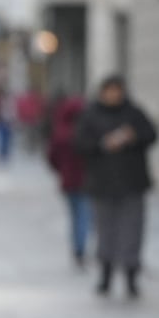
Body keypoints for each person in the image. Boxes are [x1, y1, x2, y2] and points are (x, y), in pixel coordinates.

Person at [74, 75, 158, 298]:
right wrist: (104, 143)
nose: (113, 95)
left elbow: (151, 134)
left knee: (132, 230)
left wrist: (133, 137)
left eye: (117, 90)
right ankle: (106, 274)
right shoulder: (91, 114)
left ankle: (131, 275)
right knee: (105, 230)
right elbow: (80, 143)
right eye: (109, 90)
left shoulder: (133, 113)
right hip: (102, 183)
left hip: (132, 182)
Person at [47, 94, 89, 269]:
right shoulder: (87, 132)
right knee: (84, 217)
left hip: (68, 182)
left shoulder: (61, 132)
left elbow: (51, 157)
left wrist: (61, 171)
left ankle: (77, 247)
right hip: (86, 182)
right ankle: (80, 248)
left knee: (75, 216)